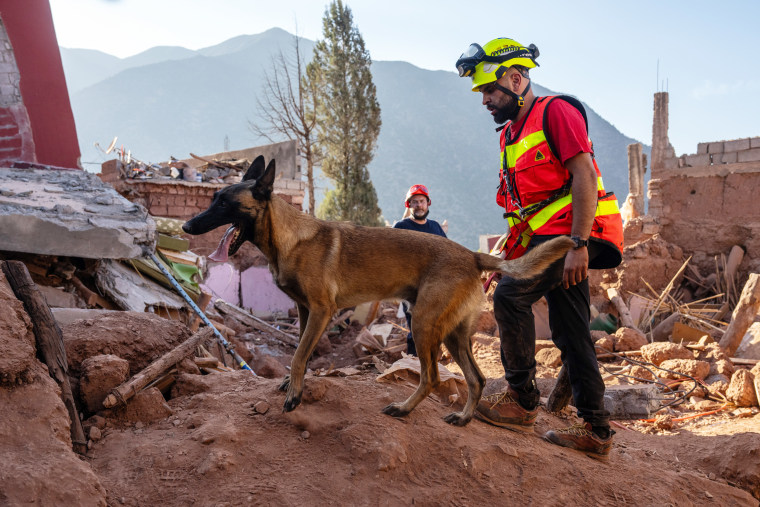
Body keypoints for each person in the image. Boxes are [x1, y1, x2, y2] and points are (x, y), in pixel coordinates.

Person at [455, 38, 624, 456]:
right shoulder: (510, 135)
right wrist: (506, 259)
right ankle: (596, 431)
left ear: (516, 78)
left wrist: (580, 245)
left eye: (490, 90)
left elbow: (583, 176)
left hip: (575, 235)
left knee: (511, 299)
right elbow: (523, 213)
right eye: (481, 93)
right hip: (547, 240)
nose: (485, 101)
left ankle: (521, 401)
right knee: (571, 331)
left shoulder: (556, 112)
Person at [393, 184, 447, 355]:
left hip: (434, 287)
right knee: (416, 329)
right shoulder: (400, 228)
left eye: (422, 201)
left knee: (433, 329)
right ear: (408, 205)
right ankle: (413, 368)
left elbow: (448, 255)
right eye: (414, 202)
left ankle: (431, 368)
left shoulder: (436, 227)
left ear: (428, 203)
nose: (418, 205)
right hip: (411, 287)